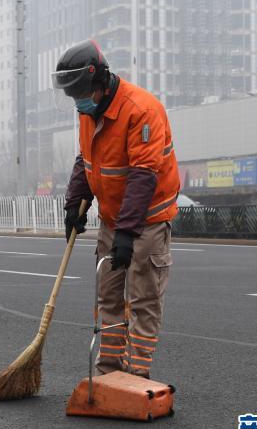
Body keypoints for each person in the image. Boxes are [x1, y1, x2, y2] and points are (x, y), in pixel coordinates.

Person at [54, 39, 180, 379]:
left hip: (148, 221)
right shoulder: (87, 112)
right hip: (113, 221)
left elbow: (143, 176)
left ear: (101, 81)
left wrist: (127, 233)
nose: (78, 102)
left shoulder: (141, 110)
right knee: (107, 299)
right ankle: (108, 374)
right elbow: (86, 160)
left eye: (81, 93)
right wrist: (73, 205)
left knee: (143, 300)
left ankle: (136, 376)